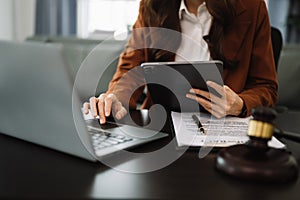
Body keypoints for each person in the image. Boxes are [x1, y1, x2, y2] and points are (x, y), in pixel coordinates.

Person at [83, 0, 278, 124]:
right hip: (161, 129)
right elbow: (129, 69)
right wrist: (116, 97)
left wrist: (240, 104)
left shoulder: (251, 6)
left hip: (224, 134)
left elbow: (266, 86)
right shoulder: (151, 5)